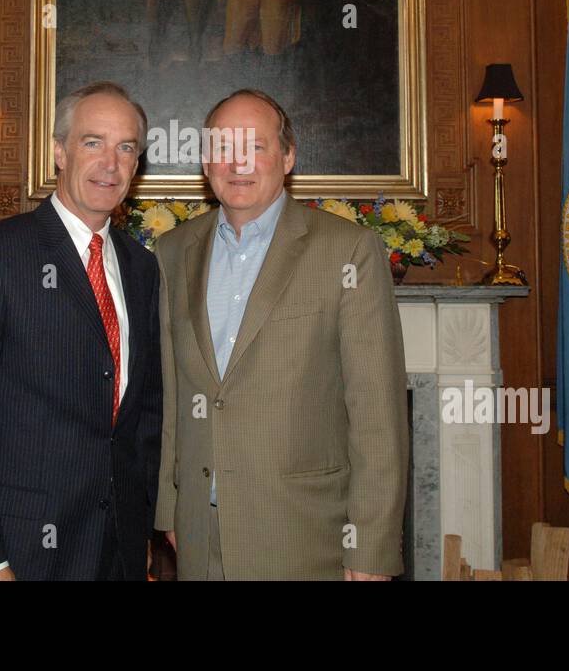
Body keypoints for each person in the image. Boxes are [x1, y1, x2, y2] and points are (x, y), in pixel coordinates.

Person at [154, 88, 408, 580]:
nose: (237, 162)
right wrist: (171, 507)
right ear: (206, 162)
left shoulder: (347, 251)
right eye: (223, 147)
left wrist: (371, 547)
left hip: (305, 535)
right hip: (198, 535)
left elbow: (376, 413)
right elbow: (173, 395)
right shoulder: (172, 251)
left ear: (288, 156)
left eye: (255, 146)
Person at [0, 81, 162, 580]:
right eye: (92, 142)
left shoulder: (142, 268)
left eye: (126, 148)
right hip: (16, 554)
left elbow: (140, 424)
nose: (110, 164)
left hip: (113, 555)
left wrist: (137, 535)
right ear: (59, 151)